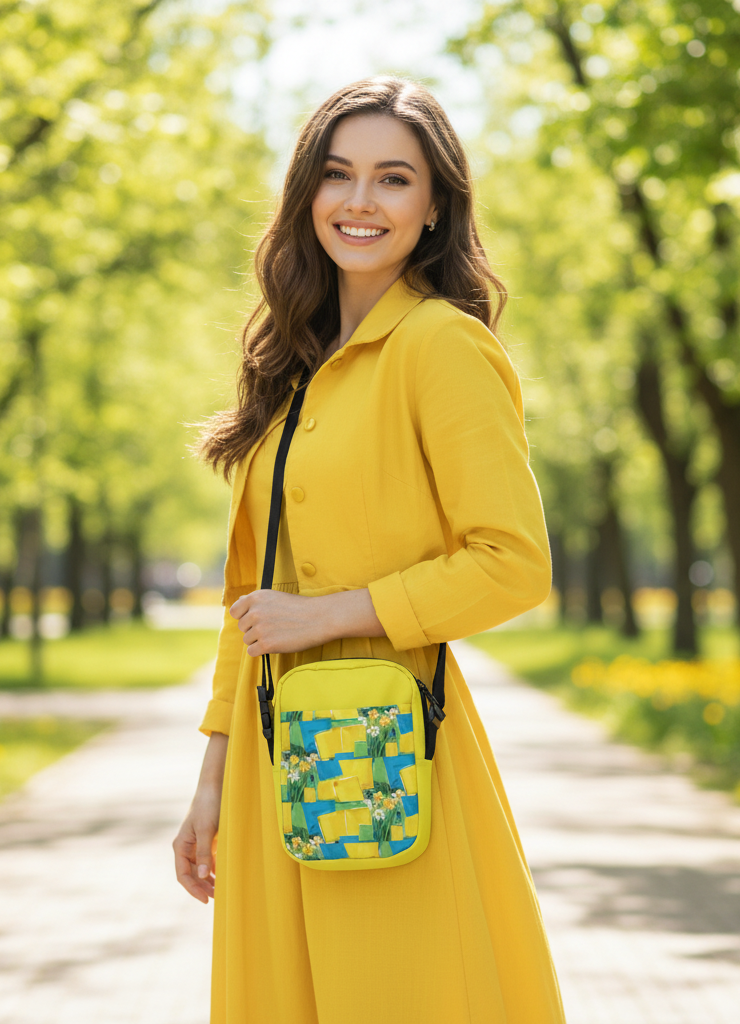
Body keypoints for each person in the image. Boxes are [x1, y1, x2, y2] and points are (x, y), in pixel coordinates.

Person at [174, 76, 566, 1024]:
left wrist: (329, 617)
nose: (360, 201)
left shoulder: (442, 346)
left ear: (434, 208)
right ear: (306, 193)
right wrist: (211, 780)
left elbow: (513, 561)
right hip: (275, 753)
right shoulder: (291, 368)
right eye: (337, 174)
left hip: (390, 749)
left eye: (394, 178)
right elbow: (248, 598)